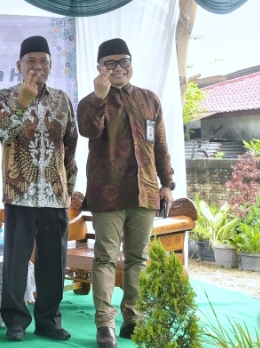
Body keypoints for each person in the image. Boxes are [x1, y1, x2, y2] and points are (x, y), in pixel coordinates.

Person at [76, 38, 174, 348]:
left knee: (138, 258)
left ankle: (134, 319)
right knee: (105, 258)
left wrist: (167, 184)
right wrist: (99, 97)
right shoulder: (90, 101)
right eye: (110, 63)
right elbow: (88, 130)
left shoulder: (149, 100)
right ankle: (105, 324)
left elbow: (160, 144)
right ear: (99, 68)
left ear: (131, 63)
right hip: (108, 192)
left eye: (124, 61)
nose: (118, 68)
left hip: (145, 191)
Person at [0, 36, 78, 342]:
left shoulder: (62, 100)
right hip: (20, 194)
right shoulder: (4, 97)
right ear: (19, 65)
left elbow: (70, 145)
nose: (38, 66)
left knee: (54, 263)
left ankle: (49, 320)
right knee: (16, 262)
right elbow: (4, 133)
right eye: (31, 61)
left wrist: (68, 186)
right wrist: (22, 103)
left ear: (51, 66)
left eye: (43, 61)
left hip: (55, 195)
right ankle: (15, 322)